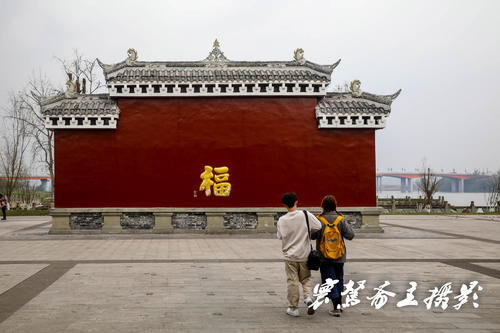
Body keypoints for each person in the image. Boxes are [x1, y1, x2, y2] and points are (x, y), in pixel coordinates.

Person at [277, 192, 322, 317]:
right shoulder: (305, 215)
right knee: (306, 278)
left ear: (284, 205)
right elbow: (318, 226)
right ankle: (308, 297)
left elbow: (280, 236)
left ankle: (293, 308)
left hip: (290, 256)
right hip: (305, 254)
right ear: (296, 202)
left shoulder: (282, 220)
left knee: (292, 281)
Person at [312, 195, 354, 317]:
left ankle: (336, 308)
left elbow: (312, 236)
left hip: (324, 256)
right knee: (339, 279)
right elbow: (350, 235)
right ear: (335, 205)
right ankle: (339, 305)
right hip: (339, 255)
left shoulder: (319, 220)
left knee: (329, 280)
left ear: (323, 206)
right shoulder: (340, 219)